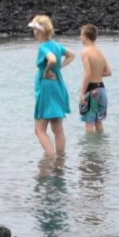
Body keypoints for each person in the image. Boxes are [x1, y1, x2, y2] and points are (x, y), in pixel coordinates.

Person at [29, 15, 73, 153]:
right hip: (58, 86)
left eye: (34, 29)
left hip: (46, 88)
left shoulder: (43, 47)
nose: (33, 32)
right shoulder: (56, 45)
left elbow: (52, 59)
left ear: (38, 31)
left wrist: (47, 71)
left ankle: (50, 158)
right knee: (58, 129)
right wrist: (59, 68)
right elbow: (71, 54)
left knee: (39, 130)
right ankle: (60, 160)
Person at [76, 24, 112, 133]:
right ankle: (101, 143)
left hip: (91, 90)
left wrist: (82, 93)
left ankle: (90, 145)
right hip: (101, 89)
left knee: (89, 123)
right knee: (99, 121)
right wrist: (97, 74)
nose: (80, 37)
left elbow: (88, 74)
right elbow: (108, 72)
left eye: (81, 35)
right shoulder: (100, 52)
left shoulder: (85, 52)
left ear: (86, 37)